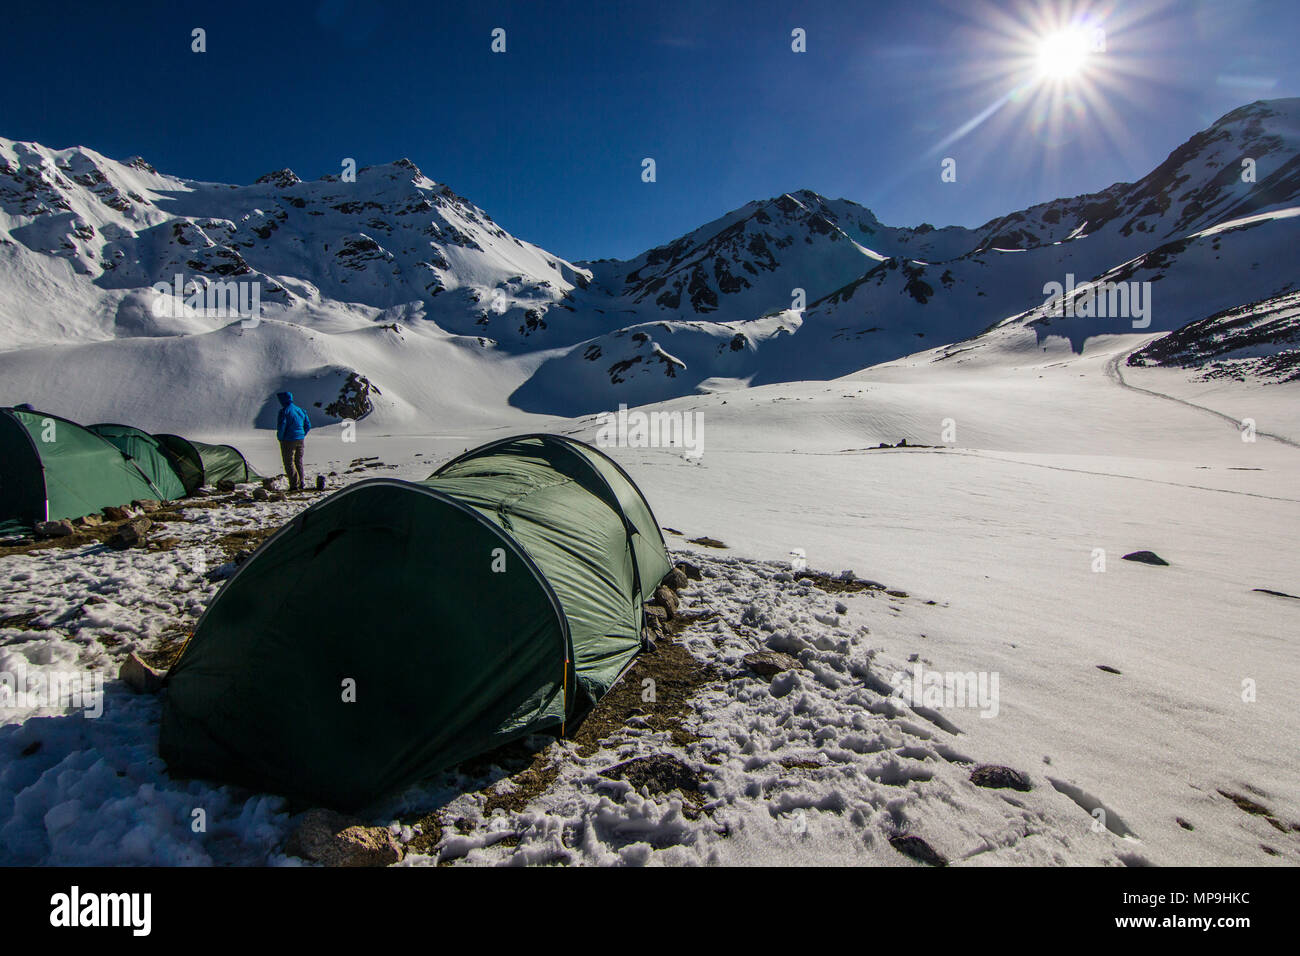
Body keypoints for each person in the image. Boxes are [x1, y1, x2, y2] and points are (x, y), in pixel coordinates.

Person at [275, 391, 312, 491]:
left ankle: (294, 484)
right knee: (298, 461)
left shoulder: (284, 411)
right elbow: (308, 425)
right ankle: (301, 482)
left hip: (288, 440)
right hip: (300, 439)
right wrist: (302, 434)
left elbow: (282, 426)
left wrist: (281, 438)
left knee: (289, 462)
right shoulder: (300, 410)